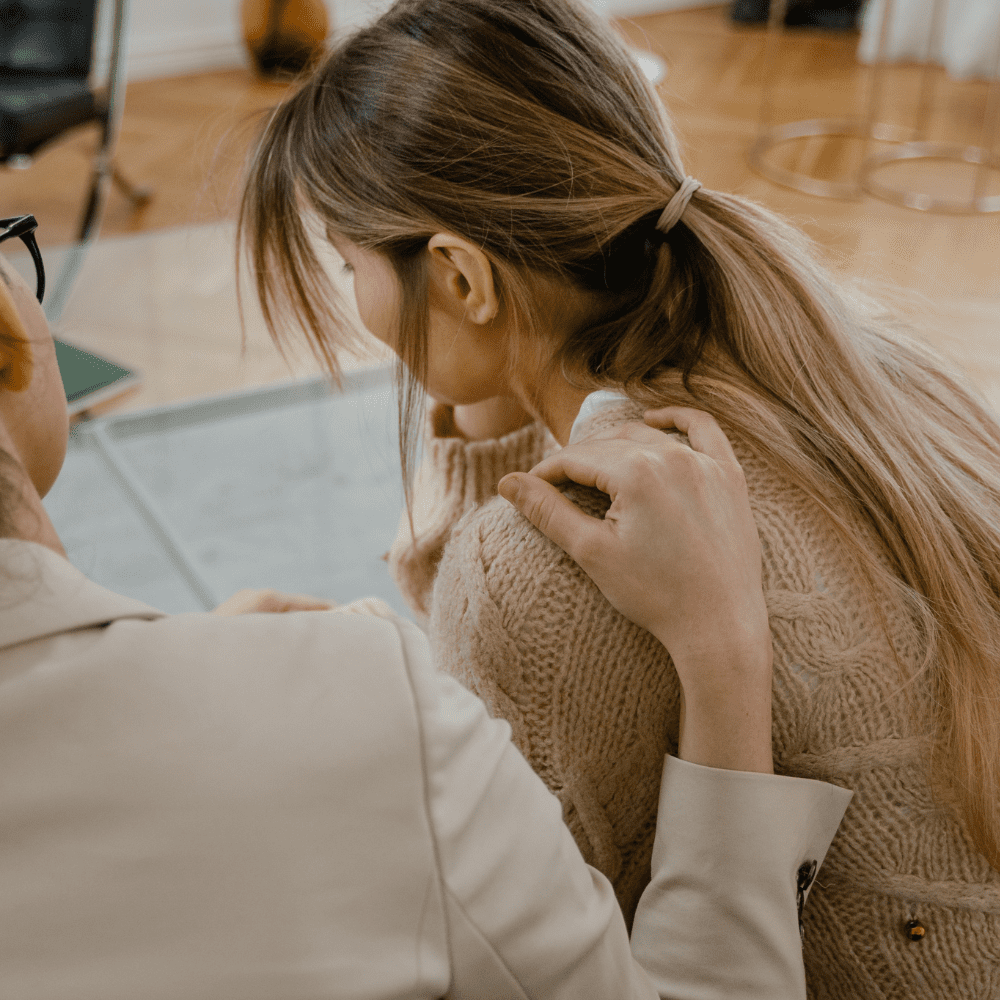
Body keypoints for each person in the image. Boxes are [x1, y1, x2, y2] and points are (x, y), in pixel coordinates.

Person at [236, 1, 1000, 997]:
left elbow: (521, 959)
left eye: (350, 264)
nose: (356, 300)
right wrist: (496, 383)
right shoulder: (863, 367)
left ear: (460, 274)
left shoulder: (537, 574)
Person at [0, 235, 854, 998]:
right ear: (7, 328)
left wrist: (199, 676)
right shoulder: (373, 698)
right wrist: (725, 642)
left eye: (346, 263)